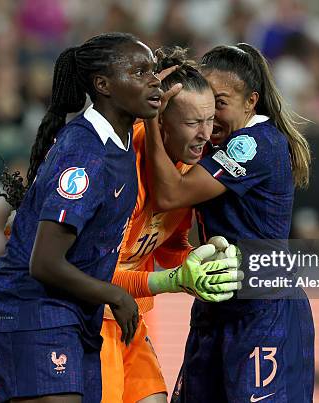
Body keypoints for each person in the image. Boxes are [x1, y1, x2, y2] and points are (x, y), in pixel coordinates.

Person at [0, 32, 161, 403]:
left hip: (74, 314)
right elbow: (44, 263)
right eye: (140, 72)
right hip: (30, 310)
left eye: (154, 71)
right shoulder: (86, 151)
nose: (154, 80)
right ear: (103, 85)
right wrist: (116, 294)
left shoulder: (120, 143)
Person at [145, 43, 315, 402]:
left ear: (250, 101)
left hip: (262, 311)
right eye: (205, 104)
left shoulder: (254, 145)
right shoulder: (216, 140)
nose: (210, 115)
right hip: (217, 306)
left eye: (220, 103)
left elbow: (171, 195)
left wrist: (149, 116)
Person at [100, 47, 243, 403]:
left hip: (129, 316)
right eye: (193, 123)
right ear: (160, 120)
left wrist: (200, 263)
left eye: (209, 121)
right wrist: (173, 281)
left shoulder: (186, 174)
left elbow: (170, 244)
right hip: (87, 316)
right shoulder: (121, 171)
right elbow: (93, 274)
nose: (206, 135)